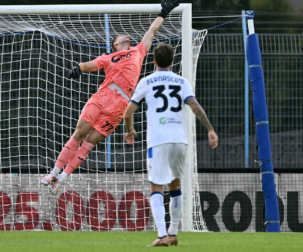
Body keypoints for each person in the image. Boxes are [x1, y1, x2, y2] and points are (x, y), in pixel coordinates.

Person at [40, 0, 180, 194]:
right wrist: (78, 68)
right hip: (103, 97)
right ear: (115, 43)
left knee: (89, 144)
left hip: (119, 107)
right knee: (79, 134)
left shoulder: (138, 51)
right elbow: (91, 65)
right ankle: (53, 172)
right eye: (121, 36)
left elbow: (152, 31)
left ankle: (61, 180)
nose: (126, 35)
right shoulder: (109, 57)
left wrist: (164, 12)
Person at [123, 43, 218, 246]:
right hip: (180, 140)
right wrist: (210, 129)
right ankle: (173, 233)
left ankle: (161, 235)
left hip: (159, 140)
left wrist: (129, 130)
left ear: (154, 60)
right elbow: (194, 106)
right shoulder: (182, 81)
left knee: (156, 186)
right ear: (173, 61)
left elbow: (128, 112)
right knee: (175, 185)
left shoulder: (147, 81)